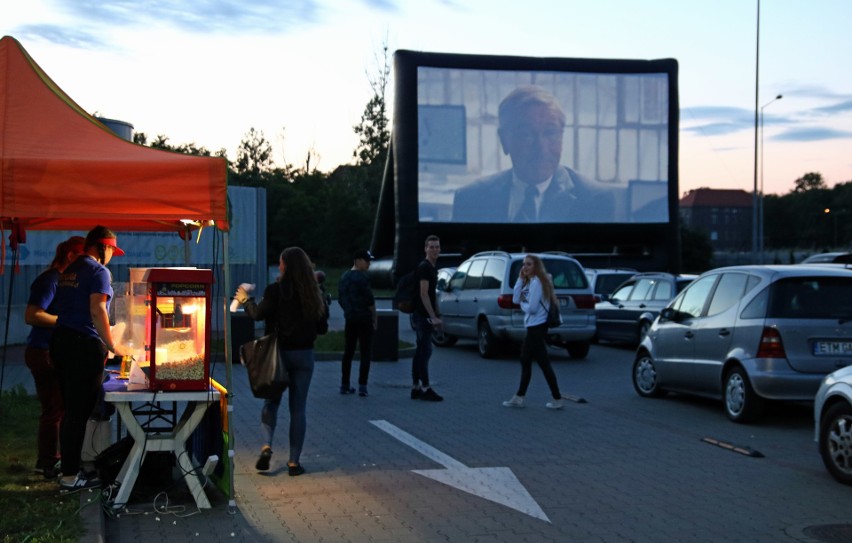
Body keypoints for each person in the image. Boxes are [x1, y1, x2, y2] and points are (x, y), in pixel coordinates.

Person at [452, 85, 615, 223]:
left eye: (550, 133)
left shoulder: (595, 199)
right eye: (526, 134)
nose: (541, 149)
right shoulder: (470, 199)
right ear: (504, 140)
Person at [234, 247, 329, 475]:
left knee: (271, 402)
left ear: (285, 266)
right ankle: (294, 462)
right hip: (304, 355)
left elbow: (257, 314)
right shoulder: (315, 293)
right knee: (298, 409)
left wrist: (245, 300)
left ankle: (267, 445)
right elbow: (323, 328)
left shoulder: (275, 290)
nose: (279, 267)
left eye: (281, 263)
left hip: (277, 355)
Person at [50, 226, 129, 491]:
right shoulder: (99, 271)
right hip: (83, 346)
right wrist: (112, 345)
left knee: (70, 410)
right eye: (112, 251)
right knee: (78, 413)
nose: (112, 257)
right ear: (103, 247)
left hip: (60, 340)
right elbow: (97, 310)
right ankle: (71, 477)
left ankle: (69, 468)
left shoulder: (70, 269)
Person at [24, 236, 85, 479]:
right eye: (83, 259)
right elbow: (32, 315)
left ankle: (51, 460)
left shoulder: (63, 280)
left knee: (57, 408)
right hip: (43, 351)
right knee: (54, 409)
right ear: (70, 256)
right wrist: (65, 321)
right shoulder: (51, 279)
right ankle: (47, 462)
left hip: (49, 350)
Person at [502, 254, 564, 410]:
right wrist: (520, 279)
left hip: (537, 326)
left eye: (528, 264)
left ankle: (554, 398)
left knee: (539, 362)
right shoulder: (530, 282)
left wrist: (524, 303)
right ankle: (521, 396)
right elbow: (516, 299)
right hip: (533, 326)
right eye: (523, 264)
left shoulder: (537, 283)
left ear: (536, 266)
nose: (525, 267)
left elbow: (532, 308)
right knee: (528, 360)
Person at [337, 249, 377, 397]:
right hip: (364, 319)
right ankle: (362, 385)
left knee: (348, 352)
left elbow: (341, 299)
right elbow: (370, 300)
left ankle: (345, 384)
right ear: (358, 260)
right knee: (365, 352)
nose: (369, 263)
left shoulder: (344, 277)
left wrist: (348, 311)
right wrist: (374, 318)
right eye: (367, 260)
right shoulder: (362, 278)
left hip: (350, 319)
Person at [410, 235, 443, 401]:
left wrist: (437, 313)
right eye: (431, 247)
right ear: (425, 249)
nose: (435, 250)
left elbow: (432, 293)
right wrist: (432, 317)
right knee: (425, 351)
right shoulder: (424, 267)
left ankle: (416, 387)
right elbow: (424, 293)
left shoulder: (432, 267)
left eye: (437, 247)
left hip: (424, 315)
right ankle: (425, 388)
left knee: (420, 352)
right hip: (422, 316)